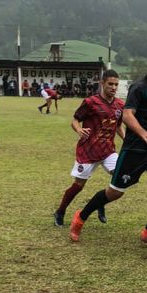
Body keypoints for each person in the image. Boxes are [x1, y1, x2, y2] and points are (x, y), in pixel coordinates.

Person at [70, 51, 147, 244]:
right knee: (114, 193)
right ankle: (81, 216)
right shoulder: (139, 87)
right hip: (135, 149)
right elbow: (127, 115)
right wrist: (143, 133)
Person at [53, 69, 125, 227]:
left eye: (116, 84)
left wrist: (125, 139)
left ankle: (100, 201)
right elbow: (75, 120)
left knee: (120, 177)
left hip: (108, 150)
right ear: (102, 83)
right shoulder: (90, 102)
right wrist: (79, 129)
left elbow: (119, 126)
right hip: (88, 151)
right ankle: (60, 211)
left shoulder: (120, 105)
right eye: (110, 84)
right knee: (78, 185)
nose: (113, 87)